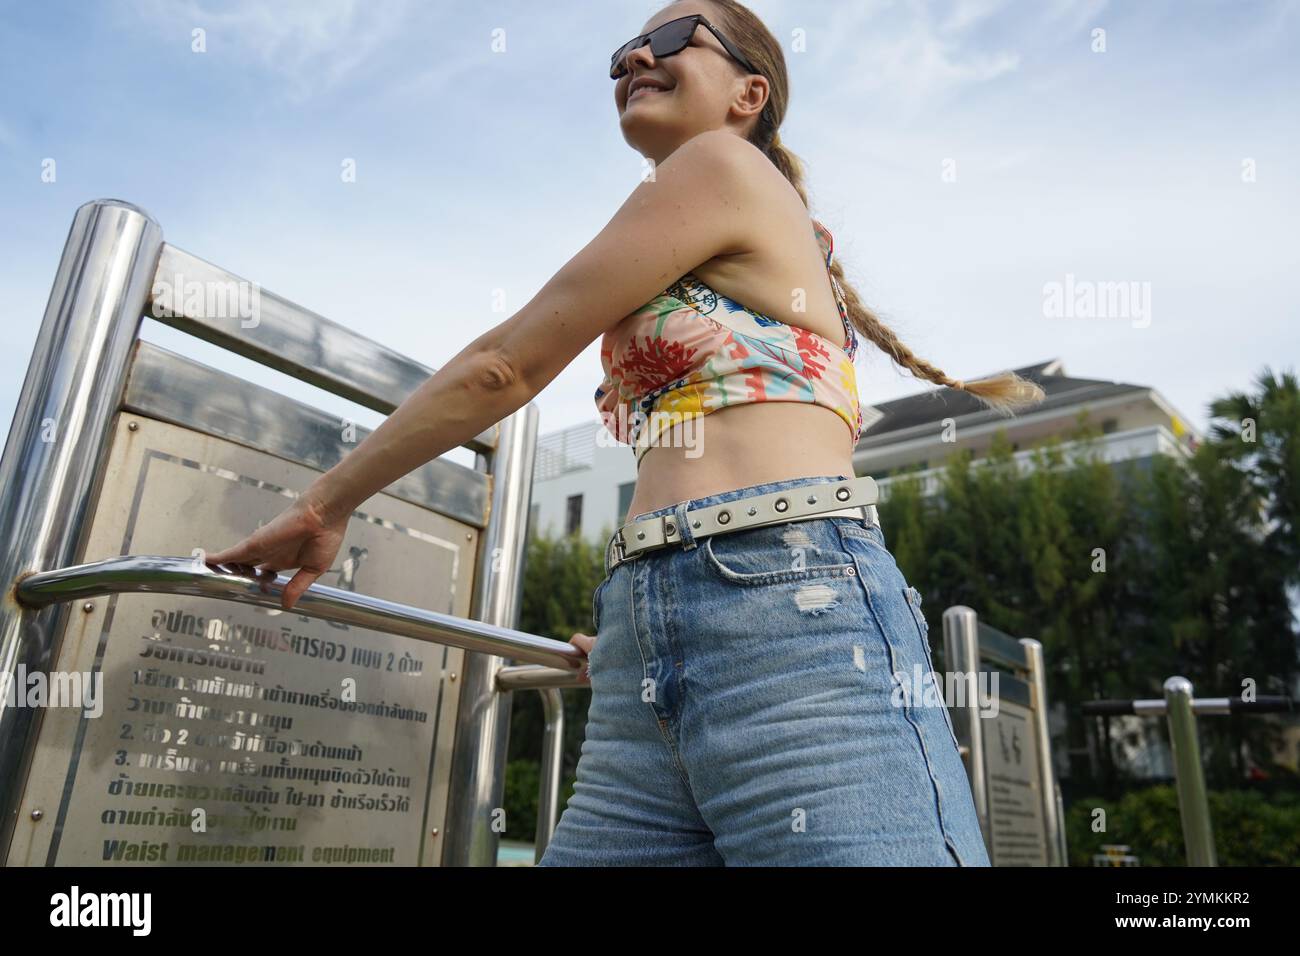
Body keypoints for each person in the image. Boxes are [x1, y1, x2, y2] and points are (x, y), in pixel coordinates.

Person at [206, 0, 1045, 865]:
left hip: (794, 615)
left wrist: (324, 505)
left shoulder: (720, 162)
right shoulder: (719, 210)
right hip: (654, 634)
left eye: (675, 37)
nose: (638, 55)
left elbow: (507, 364)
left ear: (748, 93)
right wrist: (656, 613)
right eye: (624, 51)